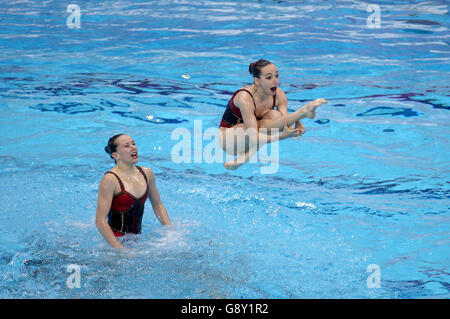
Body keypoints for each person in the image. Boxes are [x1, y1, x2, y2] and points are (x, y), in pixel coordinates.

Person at [218, 59, 327, 169]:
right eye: (269, 77)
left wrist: (297, 124)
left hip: (252, 135)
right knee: (246, 128)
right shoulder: (244, 98)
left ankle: (242, 160)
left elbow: (285, 120)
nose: (275, 81)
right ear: (257, 81)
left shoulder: (278, 94)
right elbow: (253, 136)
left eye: (276, 76)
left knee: (275, 115)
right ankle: (302, 112)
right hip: (229, 140)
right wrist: (282, 136)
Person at [95, 134, 171, 249]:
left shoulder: (147, 173)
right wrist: (120, 250)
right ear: (116, 155)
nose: (133, 147)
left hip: (137, 240)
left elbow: (157, 204)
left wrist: (170, 230)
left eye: (133, 144)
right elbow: (100, 220)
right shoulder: (110, 179)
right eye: (126, 146)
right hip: (114, 243)